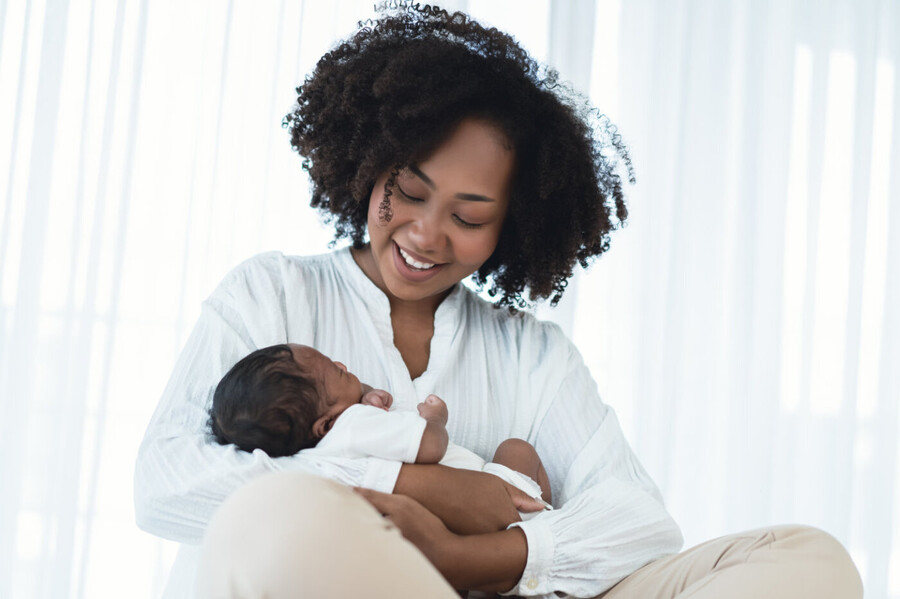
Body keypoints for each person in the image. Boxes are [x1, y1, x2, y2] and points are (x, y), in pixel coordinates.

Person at [133, 4, 862, 599]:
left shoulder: (532, 354)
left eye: (469, 215)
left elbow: (640, 525)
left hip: (501, 586)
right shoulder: (272, 291)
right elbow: (168, 486)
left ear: (513, 225)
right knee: (269, 515)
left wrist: (470, 555)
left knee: (809, 561)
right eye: (409, 192)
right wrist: (424, 486)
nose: (425, 233)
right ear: (368, 162)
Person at [208, 342, 553, 520]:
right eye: (336, 372)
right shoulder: (355, 425)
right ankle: (544, 516)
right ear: (328, 423)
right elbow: (430, 447)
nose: (343, 365)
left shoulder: (325, 446)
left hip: (456, 523)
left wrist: (365, 395)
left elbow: (355, 414)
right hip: (495, 498)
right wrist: (436, 419)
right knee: (517, 448)